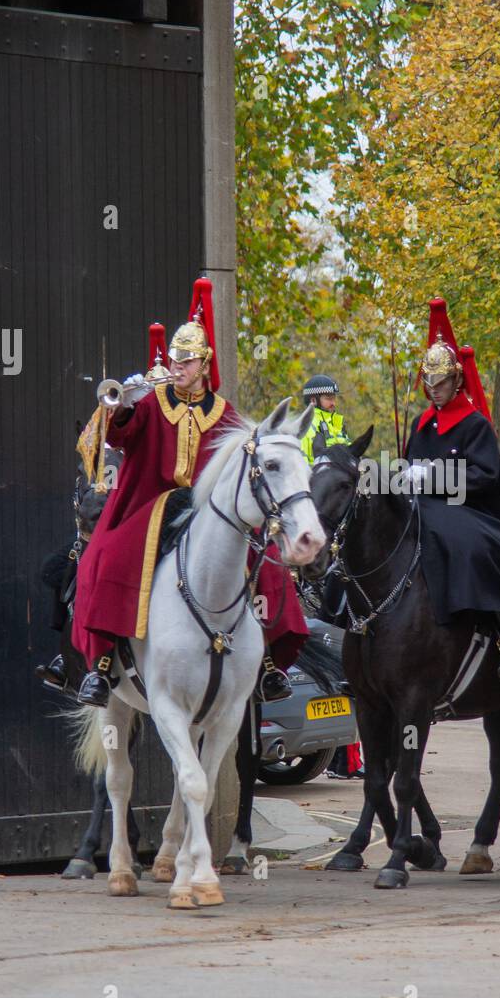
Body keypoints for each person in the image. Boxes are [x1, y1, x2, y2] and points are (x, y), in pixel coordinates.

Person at [70, 290, 308, 707]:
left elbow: (243, 466)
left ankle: (269, 664)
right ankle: (102, 664)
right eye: (175, 361)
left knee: (267, 564)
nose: (178, 368)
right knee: (106, 556)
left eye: (187, 361)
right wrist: (123, 407)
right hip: (154, 505)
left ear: (204, 365)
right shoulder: (152, 401)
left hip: (208, 509)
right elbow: (118, 437)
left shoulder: (226, 412)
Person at [404, 302, 500, 690]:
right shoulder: (421, 425)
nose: (433, 390)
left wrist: (433, 476)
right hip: (426, 513)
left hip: (473, 515)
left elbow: (487, 477)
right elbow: (408, 467)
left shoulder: (474, 425)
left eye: (440, 383)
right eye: (428, 382)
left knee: (474, 553)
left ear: (456, 381)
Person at [300, 375, 350, 463]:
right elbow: (301, 465)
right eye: (329, 398)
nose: (333, 403)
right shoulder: (306, 426)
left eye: (334, 398)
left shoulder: (338, 425)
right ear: (313, 401)